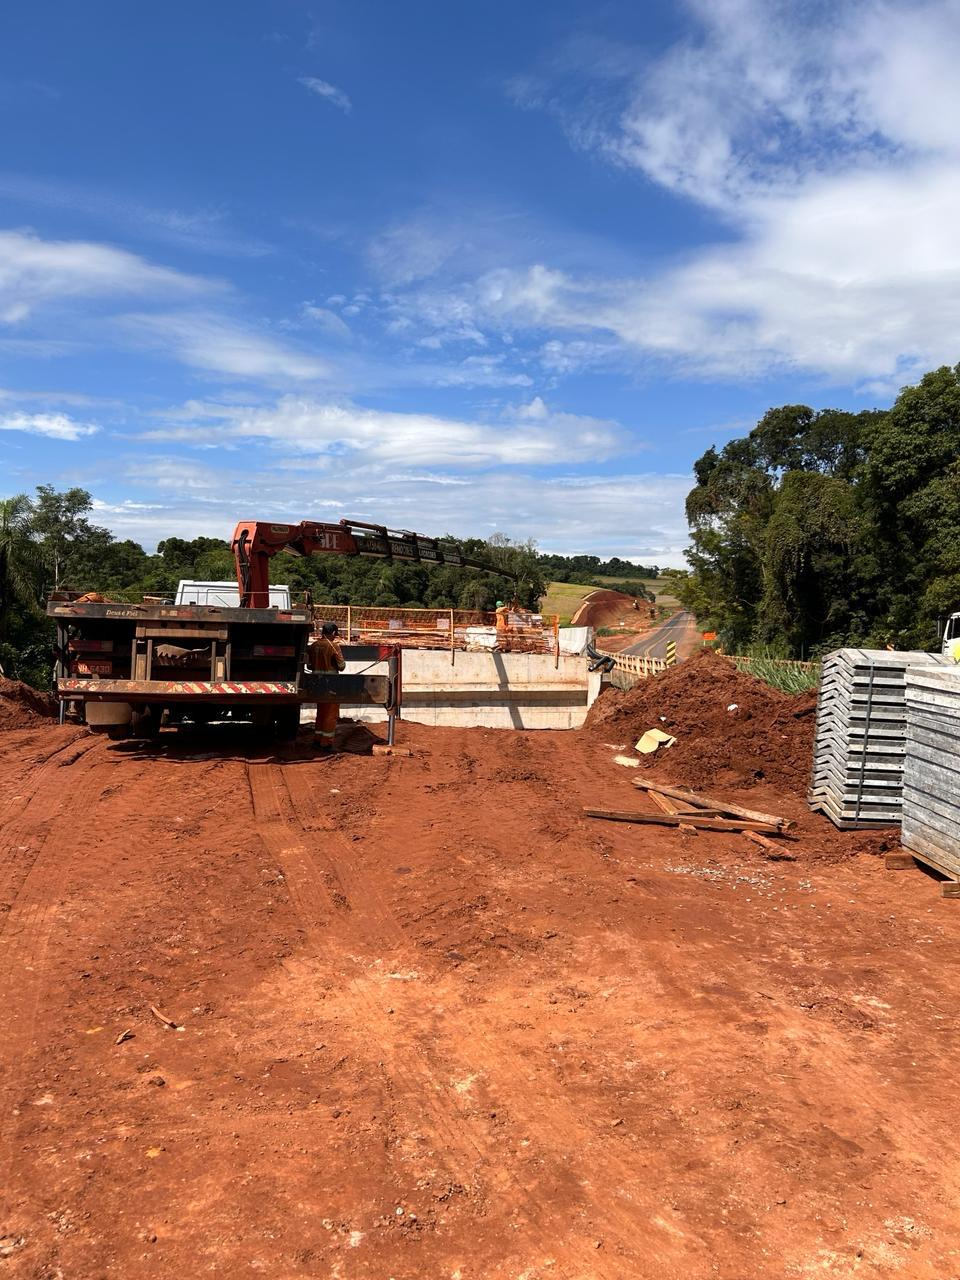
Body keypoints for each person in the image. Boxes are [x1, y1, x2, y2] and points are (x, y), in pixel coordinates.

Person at [307, 621, 346, 753]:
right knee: (331, 715)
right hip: (331, 686)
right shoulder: (334, 646)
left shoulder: (313, 645)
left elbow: (309, 666)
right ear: (333, 633)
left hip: (317, 685)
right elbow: (341, 667)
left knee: (321, 713)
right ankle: (326, 743)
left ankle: (317, 740)